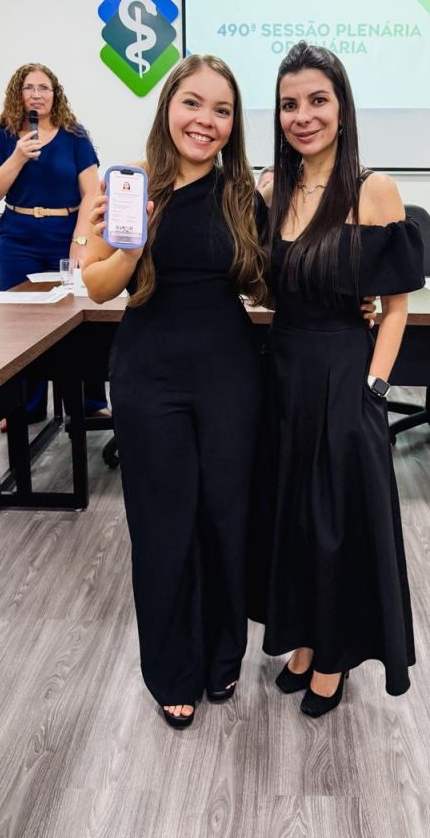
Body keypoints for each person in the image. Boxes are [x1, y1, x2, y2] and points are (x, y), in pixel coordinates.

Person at [81, 55, 268, 729]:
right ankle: (171, 669)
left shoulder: (242, 195)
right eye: (193, 103)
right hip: (148, 373)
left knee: (225, 517)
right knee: (163, 525)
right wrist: (131, 245)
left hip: (229, 373)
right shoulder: (127, 185)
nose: (205, 121)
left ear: (232, 125)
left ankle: (223, 654)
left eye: (222, 110)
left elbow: (265, 285)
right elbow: (98, 285)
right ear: (168, 106)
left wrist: (352, 297)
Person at [257, 41, 425, 717]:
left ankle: (333, 658)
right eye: (289, 104)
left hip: (344, 376)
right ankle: (301, 641)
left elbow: (396, 306)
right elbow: (267, 288)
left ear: (342, 107)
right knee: (293, 518)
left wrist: (374, 389)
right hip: (283, 374)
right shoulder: (271, 189)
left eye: (317, 101)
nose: (303, 116)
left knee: (336, 524)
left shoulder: (372, 189)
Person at [0, 62, 107, 415]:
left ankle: (90, 402)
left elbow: (91, 192)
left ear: (55, 94)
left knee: (80, 318)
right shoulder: (5, 137)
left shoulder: (74, 136)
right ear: (18, 94)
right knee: (22, 325)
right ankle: (28, 406)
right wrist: (17, 157)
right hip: (18, 239)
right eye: (29, 87)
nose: (37, 94)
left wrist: (81, 241)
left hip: (66, 236)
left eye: (44, 88)